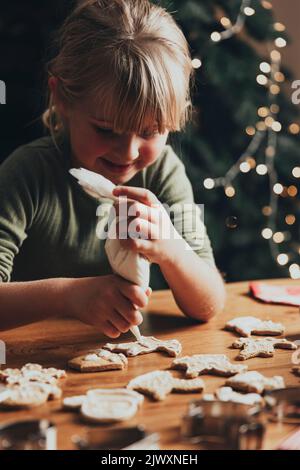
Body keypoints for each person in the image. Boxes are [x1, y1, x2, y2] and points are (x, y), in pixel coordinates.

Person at [0, 0, 225, 334]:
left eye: (150, 132)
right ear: (62, 97)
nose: (128, 152)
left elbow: (210, 304)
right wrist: (68, 297)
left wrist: (172, 250)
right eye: (105, 129)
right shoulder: (27, 174)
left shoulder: (164, 172)